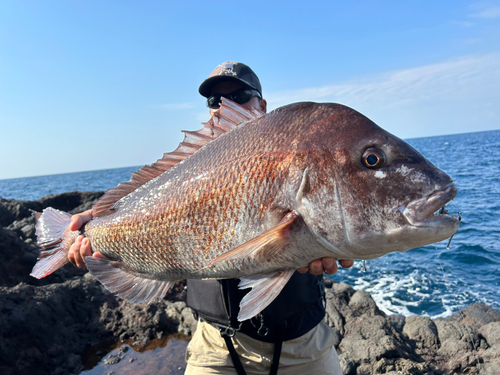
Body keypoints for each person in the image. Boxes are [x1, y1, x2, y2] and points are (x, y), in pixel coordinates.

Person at [67, 62, 354, 375]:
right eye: (215, 101)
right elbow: (143, 203)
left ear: (263, 104)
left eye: (241, 95)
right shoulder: (192, 166)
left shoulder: (297, 151)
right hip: (216, 347)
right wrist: (93, 222)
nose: (225, 106)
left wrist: (345, 243)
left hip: (303, 345)